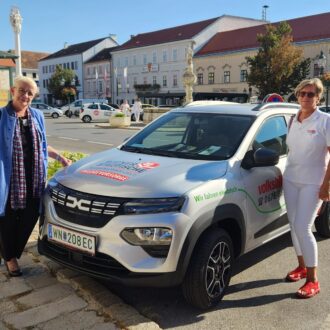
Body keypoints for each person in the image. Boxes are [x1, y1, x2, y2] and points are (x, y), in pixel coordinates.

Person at [0, 76, 71, 276]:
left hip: (33, 176)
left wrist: (60, 157)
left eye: (30, 93)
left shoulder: (37, 116)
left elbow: (42, 145)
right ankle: (10, 257)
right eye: (22, 90)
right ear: (13, 91)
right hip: (8, 177)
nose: (26, 95)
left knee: (31, 215)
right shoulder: (2, 116)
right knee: (8, 219)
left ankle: (11, 252)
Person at [283, 78, 330, 298]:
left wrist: (326, 187)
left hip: (313, 182)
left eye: (310, 94)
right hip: (291, 179)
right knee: (293, 225)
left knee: (303, 227)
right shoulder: (293, 119)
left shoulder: (325, 121)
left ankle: (313, 280)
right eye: (301, 93)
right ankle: (301, 267)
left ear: (318, 97)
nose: (305, 97)